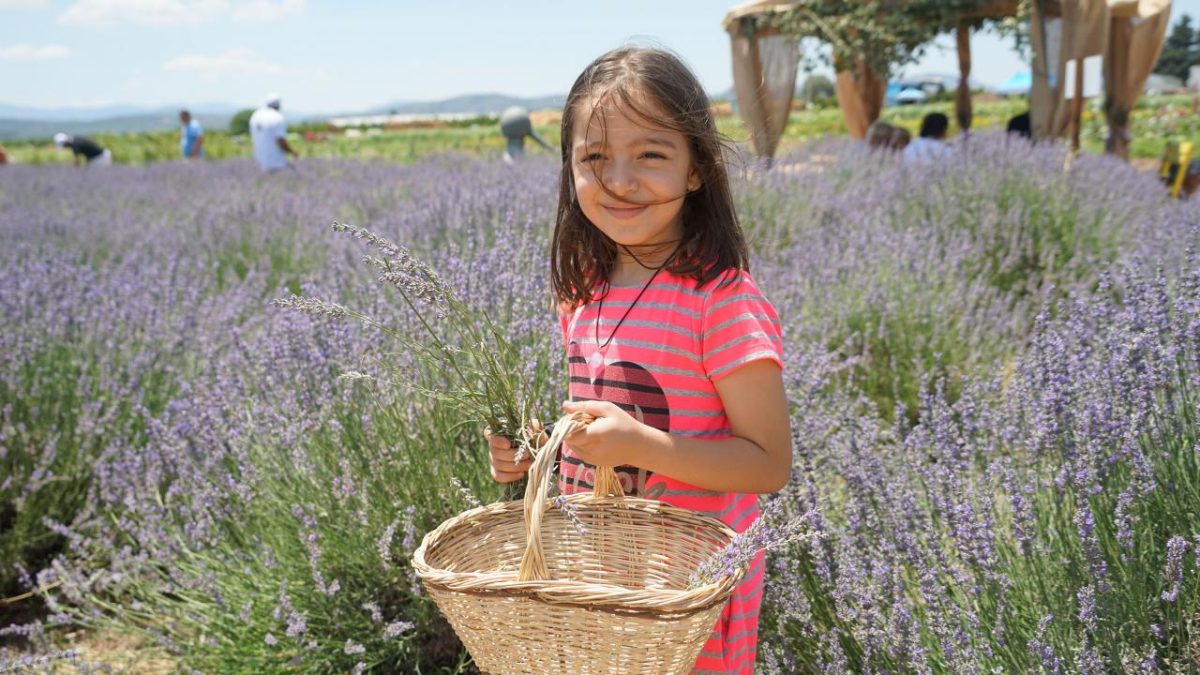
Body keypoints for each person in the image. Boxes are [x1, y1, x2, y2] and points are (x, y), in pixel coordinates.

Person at [484, 46, 791, 673]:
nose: (620, 181)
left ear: (696, 168)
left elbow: (769, 464)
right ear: (569, 168)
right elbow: (604, 417)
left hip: (690, 589)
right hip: (600, 575)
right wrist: (538, 449)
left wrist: (641, 447)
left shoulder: (720, 299)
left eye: (650, 155)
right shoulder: (583, 289)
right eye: (595, 159)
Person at [249, 93, 297, 171]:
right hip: (275, 162)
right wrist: (292, 151)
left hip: (258, 162)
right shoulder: (277, 117)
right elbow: (280, 140)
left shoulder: (255, 116)